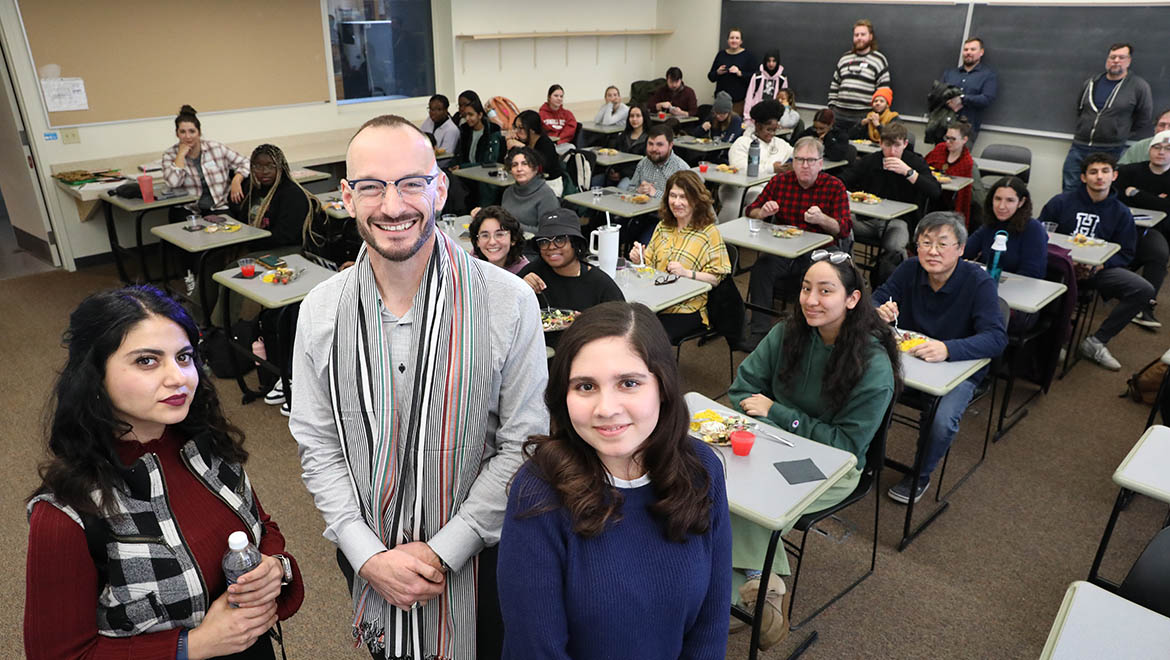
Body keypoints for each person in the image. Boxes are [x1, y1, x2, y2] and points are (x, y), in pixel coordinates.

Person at [290, 114, 549, 660]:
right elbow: (319, 444)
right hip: (366, 550)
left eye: (411, 182)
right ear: (347, 195)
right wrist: (366, 555)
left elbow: (523, 445)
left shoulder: (508, 301)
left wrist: (441, 551)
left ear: (440, 187)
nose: (392, 205)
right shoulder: (320, 311)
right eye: (371, 186)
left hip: (484, 557)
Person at [25, 285, 303, 659]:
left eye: (184, 357)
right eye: (147, 361)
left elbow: (260, 526)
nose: (179, 377)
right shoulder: (65, 515)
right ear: (94, 375)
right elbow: (59, 655)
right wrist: (190, 646)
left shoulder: (208, 446)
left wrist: (275, 567)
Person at [497, 301, 731, 658]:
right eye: (586, 387)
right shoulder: (538, 493)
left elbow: (711, 627)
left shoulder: (702, 469)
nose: (606, 408)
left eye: (629, 383)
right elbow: (536, 649)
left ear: (663, 386)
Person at [729, 252, 898, 649]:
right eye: (806, 288)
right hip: (772, 441)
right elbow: (742, 389)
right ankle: (759, 583)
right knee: (712, 480)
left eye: (826, 291)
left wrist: (777, 413)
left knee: (759, 498)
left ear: (853, 299)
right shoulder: (788, 332)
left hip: (835, 465)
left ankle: (742, 588)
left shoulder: (873, 366)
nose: (810, 300)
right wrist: (772, 423)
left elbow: (846, 446)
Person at [874, 212, 1007, 503]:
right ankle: (865, 457)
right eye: (925, 242)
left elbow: (997, 338)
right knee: (859, 384)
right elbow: (877, 297)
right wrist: (879, 311)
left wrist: (948, 349)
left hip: (956, 369)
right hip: (908, 361)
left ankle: (920, 474)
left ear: (960, 249)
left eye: (942, 244)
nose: (932, 251)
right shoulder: (910, 269)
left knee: (941, 420)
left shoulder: (978, 281)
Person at [1039, 153, 1162, 367]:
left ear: (1114, 176)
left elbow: (1126, 253)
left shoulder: (1122, 213)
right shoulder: (1061, 202)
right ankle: (1053, 338)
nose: (1099, 177)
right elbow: (1041, 236)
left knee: (1143, 289)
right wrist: (1066, 262)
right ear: (1083, 177)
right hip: (1060, 267)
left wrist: (1100, 265)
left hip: (1099, 271)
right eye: (1093, 172)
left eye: (1105, 171)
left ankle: (1096, 342)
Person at [744, 136, 853, 345]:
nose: (805, 165)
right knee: (761, 268)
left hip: (819, 251)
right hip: (783, 248)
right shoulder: (780, 182)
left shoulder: (834, 186)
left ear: (820, 163)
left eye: (810, 160)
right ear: (792, 162)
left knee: (816, 279)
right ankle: (760, 332)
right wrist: (762, 212)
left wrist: (823, 219)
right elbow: (751, 210)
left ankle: (803, 336)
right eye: (799, 159)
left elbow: (844, 229)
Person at [628, 170, 731, 341]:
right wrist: (640, 259)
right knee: (625, 327)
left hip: (687, 307)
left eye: (683, 197)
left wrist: (686, 273)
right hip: (656, 299)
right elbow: (650, 267)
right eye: (673, 196)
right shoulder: (663, 226)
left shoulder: (708, 232)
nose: (676, 202)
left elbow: (716, 278)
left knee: (646, 338)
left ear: (696, 200)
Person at [840, 122, 943, 285]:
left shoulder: (914, 162)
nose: (892, 151)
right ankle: (854, 277)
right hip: (866, 220)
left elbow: (935, 191)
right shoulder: (871, 160)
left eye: (897, 145)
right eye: (887, 145)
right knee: (838, 226)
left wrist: (909, 173)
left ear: (905, 144)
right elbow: (843, 180)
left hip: (899, 222)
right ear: (881, 143)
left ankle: (888, 285)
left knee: (895, 247)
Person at [519, 208, 624, 347]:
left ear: (575, 244)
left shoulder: (600, 284)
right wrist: (520, 288)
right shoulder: (533, 272)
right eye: (544, 241)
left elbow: (623, 327)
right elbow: (503, 310)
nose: (551, 247)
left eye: (560, 239)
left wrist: (588, 326)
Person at [1060, 43, 1154, 193]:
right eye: (1112, 57)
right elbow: (1080, 109)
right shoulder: (1091, 83)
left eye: (1121, 57)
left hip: (1111, 149)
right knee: (1070, 189)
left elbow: (1144, 117)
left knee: (1103, 191)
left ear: (1128, 61)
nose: (1116, 60)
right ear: (1107, 59)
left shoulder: (1138, 86)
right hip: (1079, 146)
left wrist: (1120, 132)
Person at [162, 105, 250, 220]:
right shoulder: (170, 155)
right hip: (188, 209)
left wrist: (237, 179)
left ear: (199, 132)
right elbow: (173, 183)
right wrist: (180, 156)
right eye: (182, 132)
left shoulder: (216, 148)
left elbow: (246, 162)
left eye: (192, 131)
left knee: (228, 231)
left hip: (218, 208)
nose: (187, 136)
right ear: (177, 134)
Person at [231, 143, 323, 252]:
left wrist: (250, 243)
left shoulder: (292, 194)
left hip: (285, 249)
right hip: (258, 246)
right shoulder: (253, 190)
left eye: (271, 166)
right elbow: (243, 222)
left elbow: (285, 236)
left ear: (281, 167)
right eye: (258, 166)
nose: (264, 172)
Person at [718, 99, 795, 222]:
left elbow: (798, 153)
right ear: (758, 126)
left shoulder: (781, 144)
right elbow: (741, 169)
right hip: (739, 189)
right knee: (750, 201)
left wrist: (794, 165)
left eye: (775, 130)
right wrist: (772, 169)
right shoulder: (742, 143)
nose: (772, 134)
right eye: (768, 130)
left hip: (768, 189)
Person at [965, 176, 1048, 280]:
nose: (1001, 206)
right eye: (998, 199)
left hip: (1018, 289)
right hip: (987, 285)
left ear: (1021, 202)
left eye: (1010, 200)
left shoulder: (1033, 229)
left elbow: (1032, 274)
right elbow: (964, 252)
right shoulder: (990, 224)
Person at [827, 19, 891, 133]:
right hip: (839, 115)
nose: (859, 38)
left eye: (863, 34)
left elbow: (884, 90)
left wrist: (876, 113)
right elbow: (835, 84)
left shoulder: (879, 60)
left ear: (870, 37)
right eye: (856, 35)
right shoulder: (844, 58)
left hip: (863, 117)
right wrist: (832, 108)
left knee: (860, 149)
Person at [491, 146, 560, 237]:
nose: (519, 169)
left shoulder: (546, 195)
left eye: (524, 164)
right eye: (514, 165)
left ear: (535, 168)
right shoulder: (508, 192)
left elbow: (548, 231)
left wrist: (513, 226)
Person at [939, 37, 998, 139]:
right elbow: (937, 94)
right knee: (939, 154)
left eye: (973, 49)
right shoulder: (950, 73)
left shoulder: (988, 76)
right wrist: (947, 100)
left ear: (981, 52)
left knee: (962, 155)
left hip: (967, 129)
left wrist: (962, 98)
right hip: (944, 126)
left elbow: (987, 99)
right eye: (966, 50)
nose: (968, 52)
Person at [1117, 129, 1170, 243]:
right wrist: (1155, 200)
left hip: (1162, 230)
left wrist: (1136, 193)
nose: (1161, 152)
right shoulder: (1128, 171)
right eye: (1156, 147)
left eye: (1168, 149)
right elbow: (1116, 197)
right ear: (1149, 149)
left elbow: (1167, 206)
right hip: (1125, 222)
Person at [924, 121, 976, 224]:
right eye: (947, 138)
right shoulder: (940, 149)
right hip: (930, 194)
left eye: (953, 139)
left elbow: (963, 193)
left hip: (949, 201)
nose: (948, 142)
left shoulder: (966, 161)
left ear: (964, 140)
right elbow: (924, 166)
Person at [629, 124, 690, 201]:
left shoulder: (681, 169)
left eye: (659, 144)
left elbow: (685, 199)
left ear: (670, 145)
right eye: (650, 144)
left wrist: (656, 193)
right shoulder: (643, 163)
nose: (654, 149)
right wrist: (638, 191)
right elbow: (630, 189)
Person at [708, 28, 756, 115]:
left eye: (737, 38)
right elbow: (711, 77)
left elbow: (754, 77)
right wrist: (717, 72)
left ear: (741, 41)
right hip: (721, 101)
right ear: (727, 40)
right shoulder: (721, 54)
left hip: (739, 102)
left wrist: (739, 73)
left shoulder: (748, 55)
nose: (734, 40)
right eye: (731, 38)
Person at [470, 205, 529, 275]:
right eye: (485, 235)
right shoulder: (472, 262)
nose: (492, 242)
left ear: (513, 239)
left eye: (499, 234)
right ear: (477, 242)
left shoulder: (525, 272)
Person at [507, 109, 563, 182]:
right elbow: (509, 163)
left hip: (549, 182)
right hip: (530, 181)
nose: (517, 131)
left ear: (532, 130)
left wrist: (523, 147)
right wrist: (509, 143)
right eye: (516, 127)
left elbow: (540, 167)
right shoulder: (524, 140)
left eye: (521, 128)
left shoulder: (545, 143)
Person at [606, 104, 648, 189]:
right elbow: (615, 156)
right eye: (632, 116)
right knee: (595, 181)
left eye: (638, 116)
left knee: (622, 187)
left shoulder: (649, 138)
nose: (634, 119)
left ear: (644, 117)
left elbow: (644, 165)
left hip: (635, 175)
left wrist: (621, 174)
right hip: (618, 172)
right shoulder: (623, 136)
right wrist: (612, 170)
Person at [743, 49, 788, 124]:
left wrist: (781, 118)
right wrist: (747, 116)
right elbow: (749, 96)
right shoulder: (757, 77)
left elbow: (784, 100)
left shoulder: (782, 79)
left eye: (774, 61)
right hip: (756, 116)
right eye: (768, 61)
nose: (771, 64)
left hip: (773, 117)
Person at [422, 94, 460, 167]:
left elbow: (446, 158)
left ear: (446, 110)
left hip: (440, 168)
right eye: (431, 109)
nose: (433, 113)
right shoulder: (429, 120)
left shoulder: (452, 129)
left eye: (438, 110)